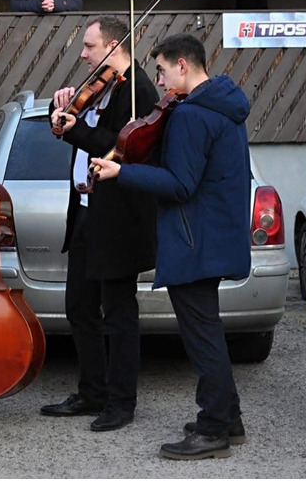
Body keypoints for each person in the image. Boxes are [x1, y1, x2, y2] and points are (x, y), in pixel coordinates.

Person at [92, 33, 253, 461]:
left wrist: (119, 172)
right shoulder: (225, 106)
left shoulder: (191, 116)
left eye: (162, 70)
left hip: (193, 238)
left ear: (183, 65)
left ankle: (215, 427)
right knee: (209, 331)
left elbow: (180, 184)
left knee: (203, 339)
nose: (159, 81)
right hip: (214, 234)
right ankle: (229, 418)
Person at [41, 16, 157, 432]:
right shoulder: (103, 87)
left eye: (89, 47)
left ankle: (121, 403)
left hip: (118, 217)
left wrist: (73, 131)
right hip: (87, 212)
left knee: (119, 313)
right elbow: (86, 126)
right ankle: (92, 391)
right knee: (80, 307)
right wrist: (66, 107)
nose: (83, 54)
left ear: (112, 46)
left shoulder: (138, 91)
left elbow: (116, 150)